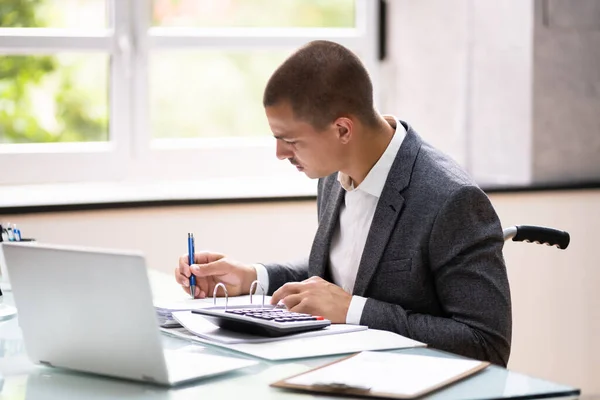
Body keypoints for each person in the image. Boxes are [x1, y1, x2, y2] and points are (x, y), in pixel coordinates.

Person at [175, 40, 512, 366]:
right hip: (338, 373)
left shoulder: (452, 200)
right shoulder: (332, 172)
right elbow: (341, 274)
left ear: (342, 130)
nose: (279, 154)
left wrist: (354, 310)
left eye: (289, 140)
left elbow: (487, 344)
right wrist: (251, 278)